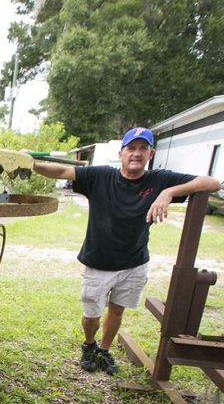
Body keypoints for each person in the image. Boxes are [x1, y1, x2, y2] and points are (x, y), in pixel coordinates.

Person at [32, 127, 221, 375]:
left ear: (150, 153)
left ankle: (104, 350)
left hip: (134, 262)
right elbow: (61, 170)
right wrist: (30, 164)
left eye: (143, 149)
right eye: (131, 148)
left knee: (117, 309)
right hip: (98, 261)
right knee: (92, 313)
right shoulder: (100, 176)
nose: (137, 154)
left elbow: (212, 182)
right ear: (121, 153)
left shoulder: (159, 180)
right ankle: (89, 345)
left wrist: (169, 192)